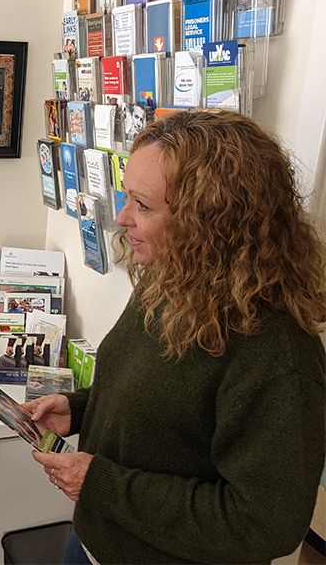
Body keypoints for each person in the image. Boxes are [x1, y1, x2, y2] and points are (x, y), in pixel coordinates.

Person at [24, 110, 326, 564]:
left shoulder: (276, 352)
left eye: (142, 205)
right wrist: (80, 409)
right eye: (127, 197)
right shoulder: (170, 281)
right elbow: (163, 404)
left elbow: (265, 525)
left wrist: (102, 485)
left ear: (209, 222)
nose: (122, 218)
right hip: (93, 543)